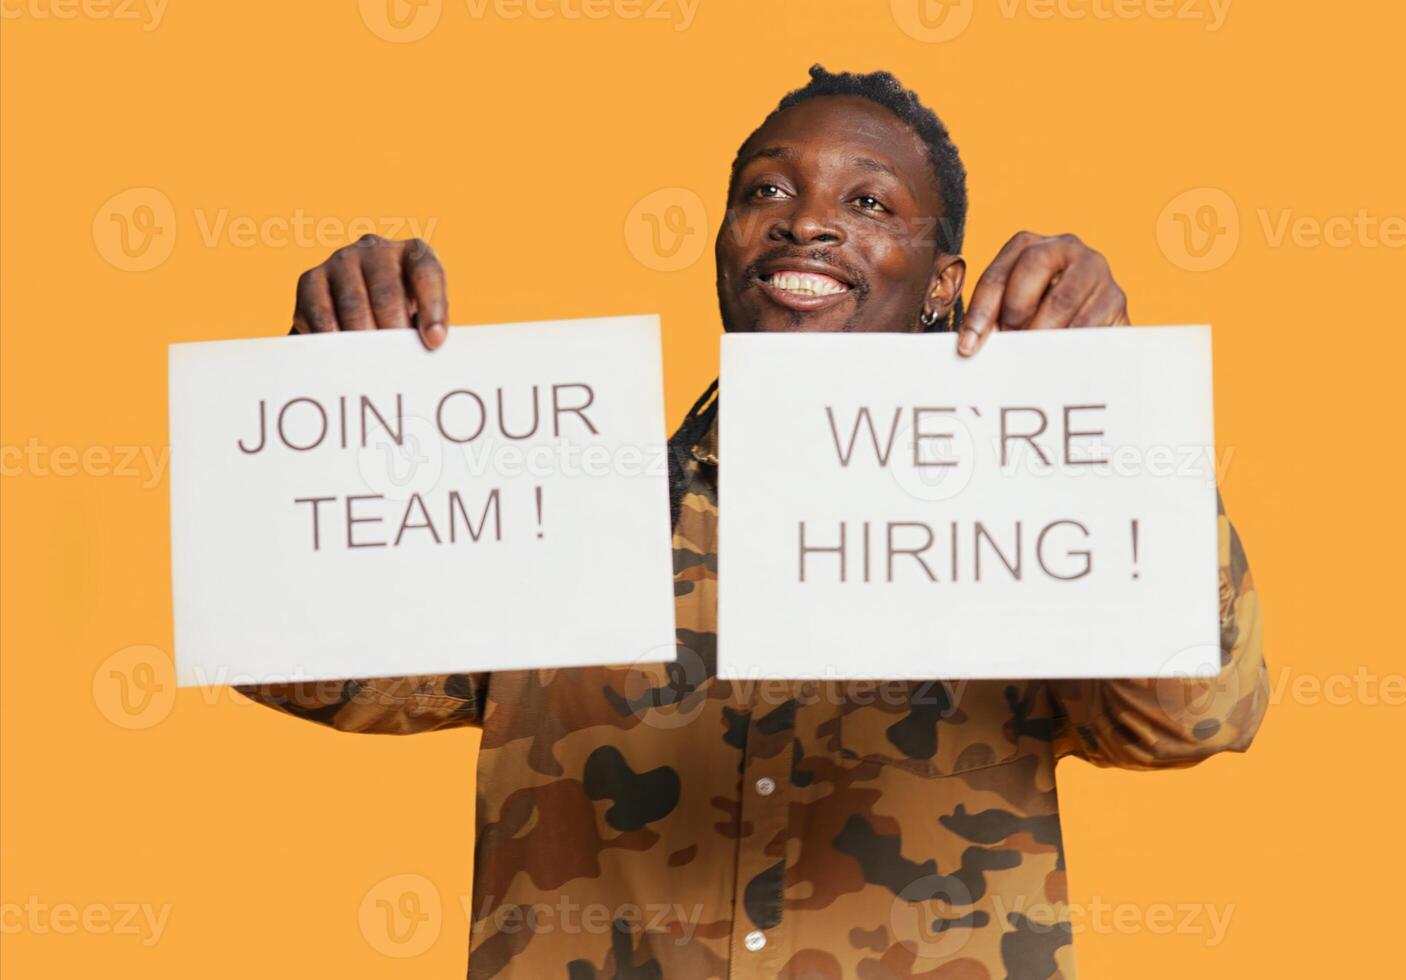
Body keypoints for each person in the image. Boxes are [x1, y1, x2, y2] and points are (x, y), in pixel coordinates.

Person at [241, 65, 1268, 980]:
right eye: (766, 190)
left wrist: (1115, 406)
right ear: (727, 243)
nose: (804, 221)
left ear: (940, 288)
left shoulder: (1022, 514)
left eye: (867, 200)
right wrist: (333, 401)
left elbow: (1192, 715)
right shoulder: (560, 506)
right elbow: (313, 671)